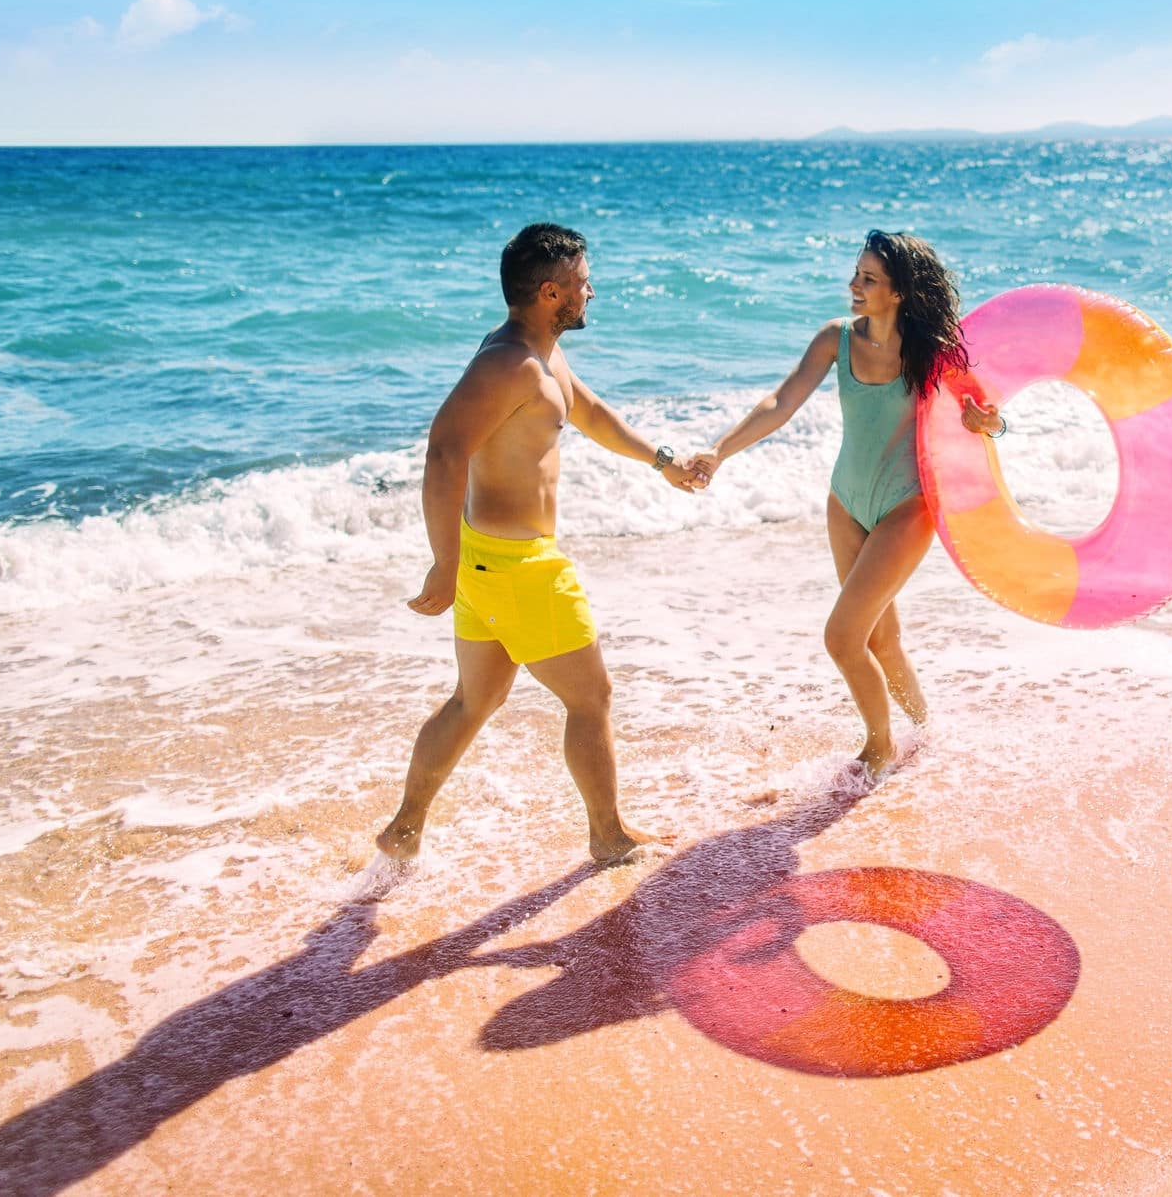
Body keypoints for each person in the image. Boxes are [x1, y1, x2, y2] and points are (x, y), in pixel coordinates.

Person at [376, 222, 700, 869]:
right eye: (583, 282)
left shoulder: (539, 353)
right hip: (521, 566)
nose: (592, 291)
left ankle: (403, 827)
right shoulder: (509, 365)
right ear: (551, 292)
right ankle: (608, 835)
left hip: (489, 560)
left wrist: (661, 459)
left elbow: (588, 412)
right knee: (592, 697)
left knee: (476, 699)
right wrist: (443, 563)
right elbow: (443, 451)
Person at [688, 230, 1002, 780]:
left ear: (899, 291)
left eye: (869, 279)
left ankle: (880, 748)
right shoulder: (835, 339)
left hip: (907, 507)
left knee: (842, 637)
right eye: (856, 274)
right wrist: (718, 451)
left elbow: (989, 412)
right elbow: (780, 402)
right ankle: (927, 734)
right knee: (881, 637)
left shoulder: (934, 352)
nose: (853, 286)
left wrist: (988, 423)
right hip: (846, 501)